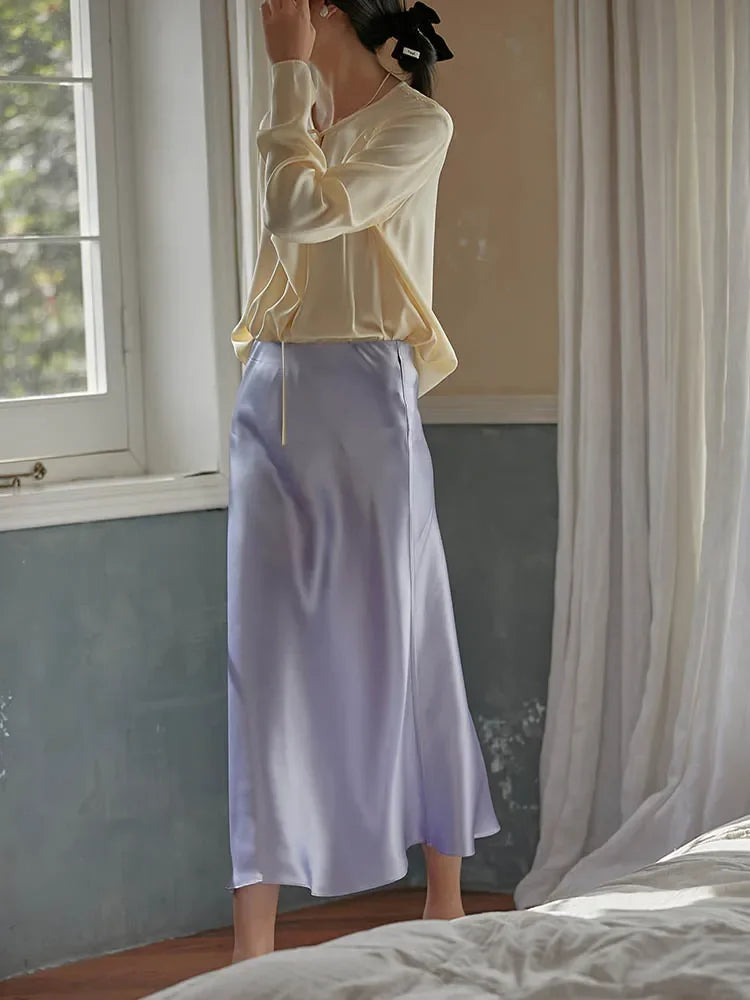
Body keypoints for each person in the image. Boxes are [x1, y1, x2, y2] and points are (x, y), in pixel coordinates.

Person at [226, 0, 501, 962]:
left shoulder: (417, 125)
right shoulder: (296, 110)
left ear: (329, 9)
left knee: (409, 632)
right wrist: (290, 93)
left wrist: (284, 77)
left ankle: (444, 901)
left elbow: (299, 211)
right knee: (261, 660)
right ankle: (252, 944)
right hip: (271, 397)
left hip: (367, 399)